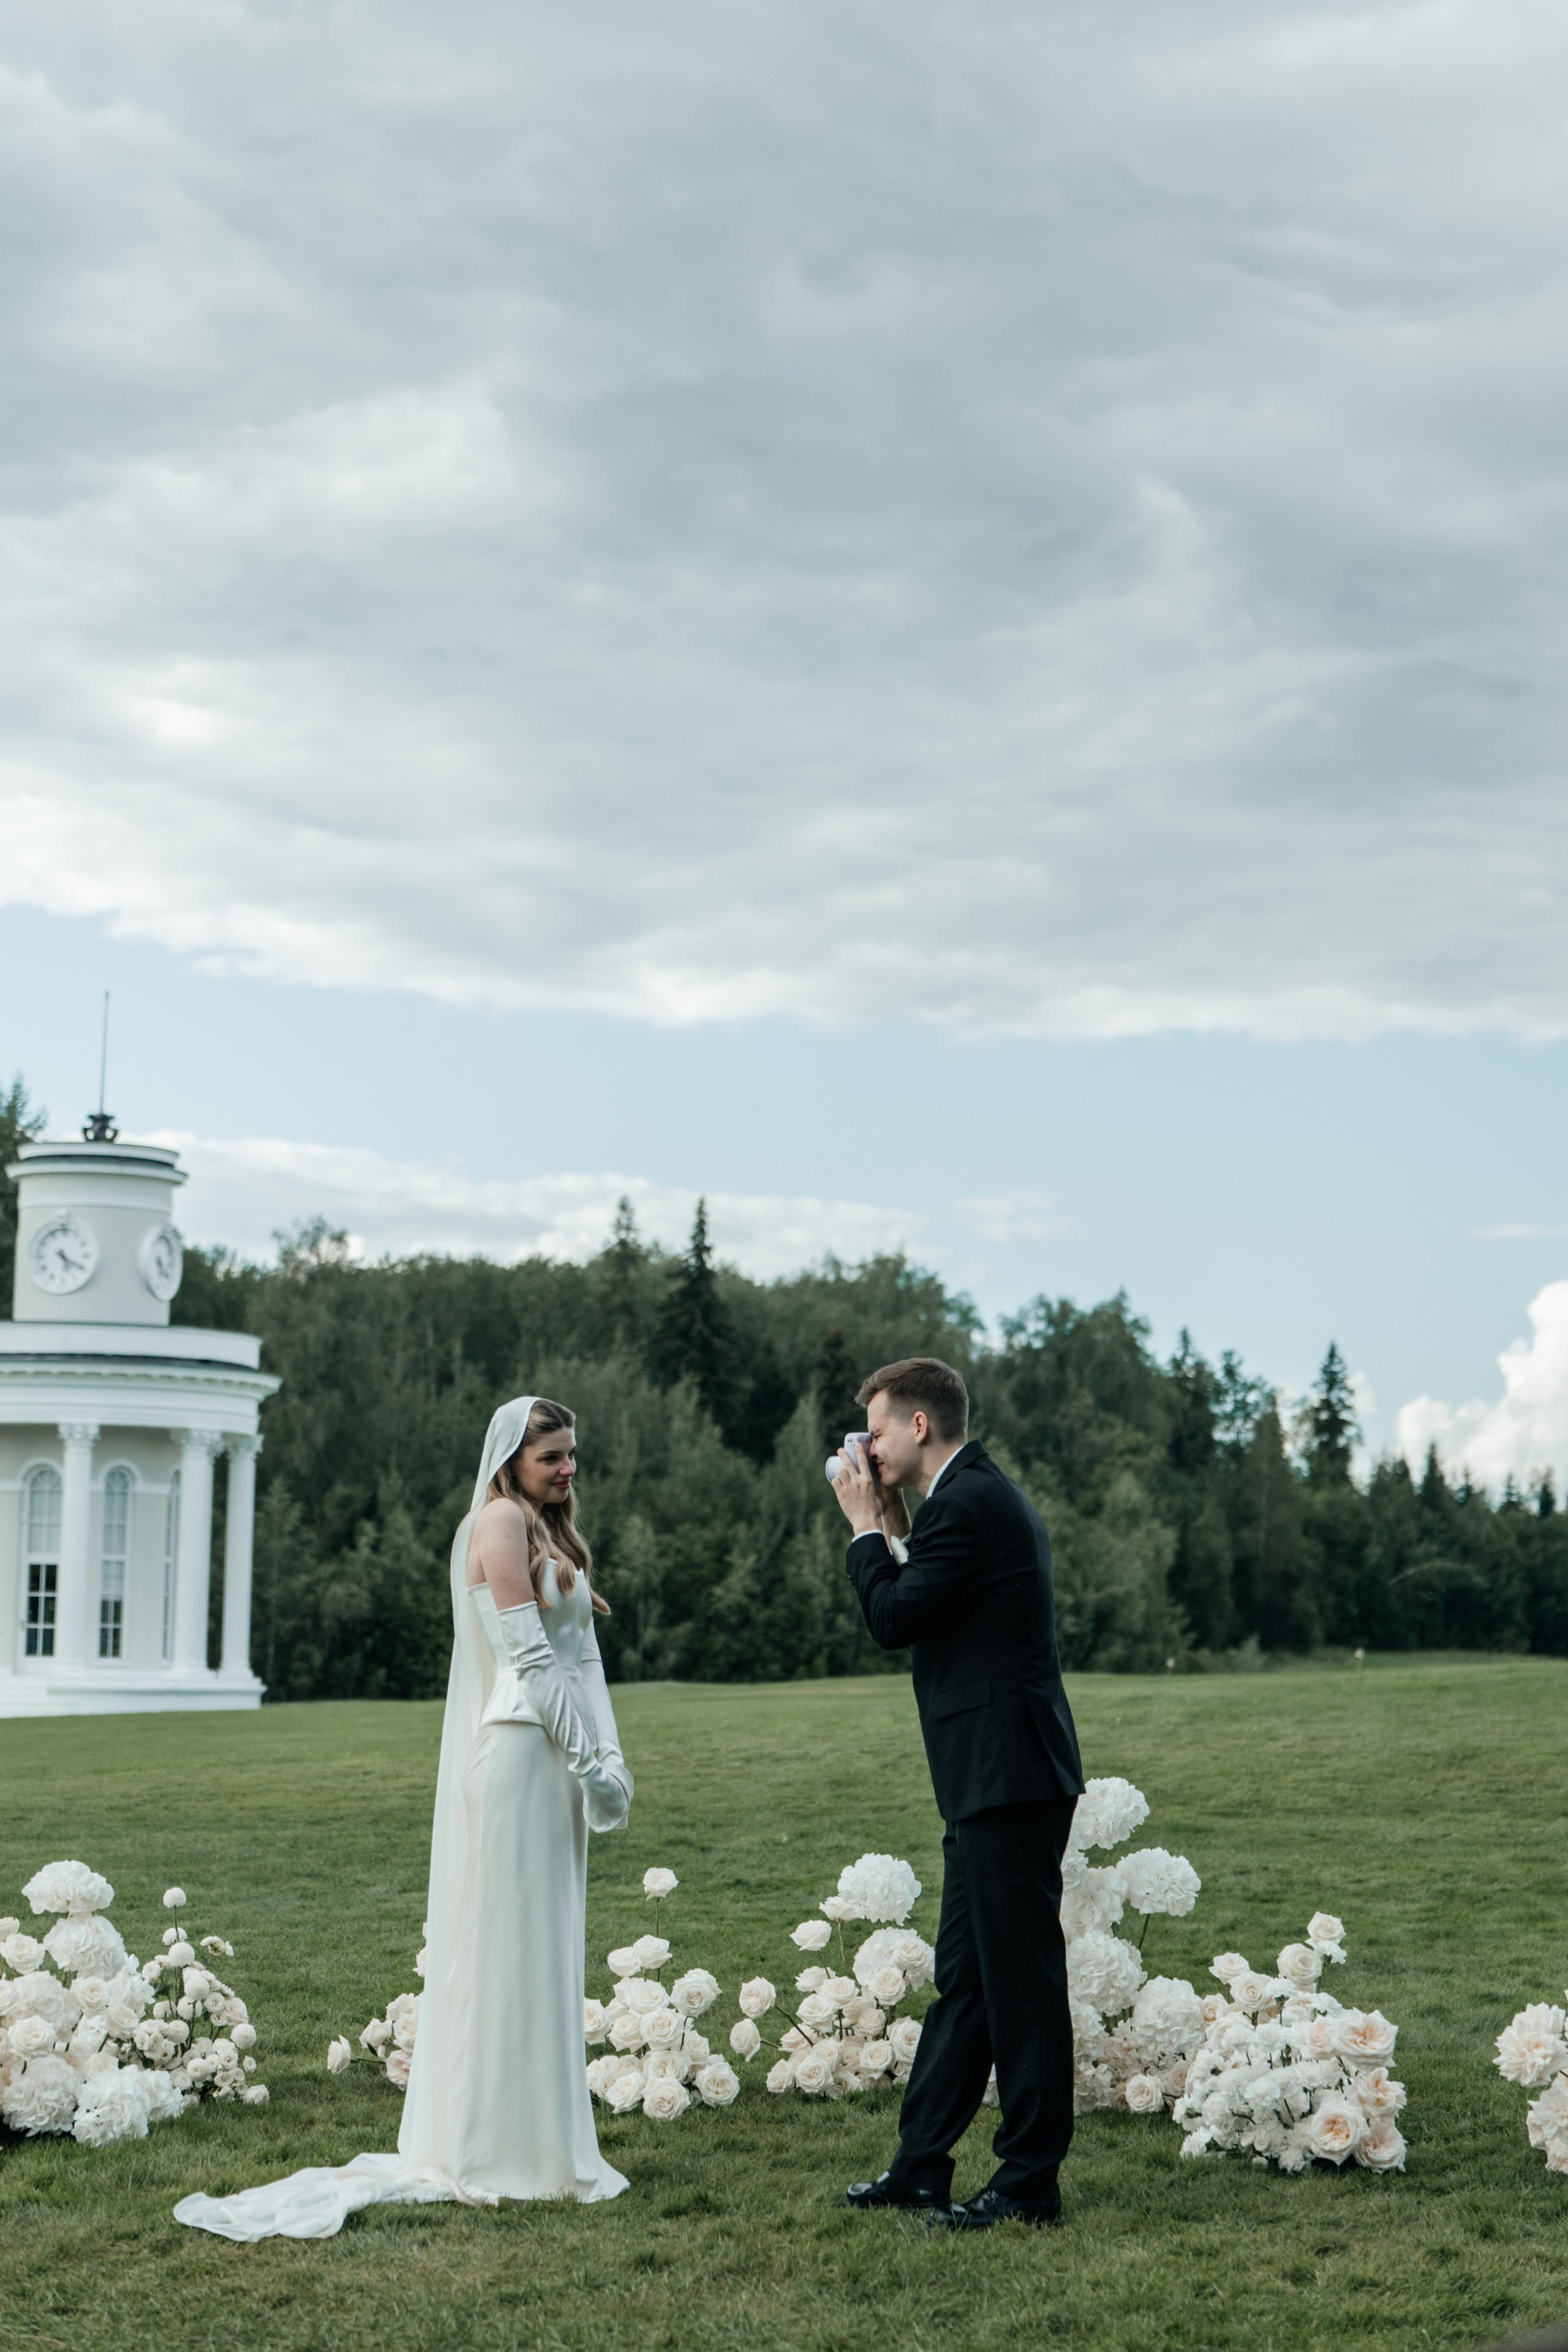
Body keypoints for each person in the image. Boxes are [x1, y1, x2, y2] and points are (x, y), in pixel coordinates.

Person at [175, 1395, 633, 2240]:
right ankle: (493, 2148)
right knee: (510, 1946)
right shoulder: (497, 1523)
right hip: (519, 1758)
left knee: (547, 1943)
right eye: (552, 1458)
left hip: (557, 1764)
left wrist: (611, 1762)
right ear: (511, 1461)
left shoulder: (554, 1532)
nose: (568, 1469)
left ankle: (546, 2144)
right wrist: (584, 1759)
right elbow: (529, 1660)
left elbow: (583, 1656)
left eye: (573, 1455)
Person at [829, 1355, 1085, 2232]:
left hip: (1007, 1776)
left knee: (1020, 1985)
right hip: (994, 1775)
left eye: (876, 1427)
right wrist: (893, 1521)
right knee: (969, 1983)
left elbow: (895, 1617)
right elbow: (930, 1594)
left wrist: (864, 1525)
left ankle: (1027, 2185)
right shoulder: (964, 1500)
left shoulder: (971, 1503)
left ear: (919, 1426)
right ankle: (921, 2168)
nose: (868, 1445)